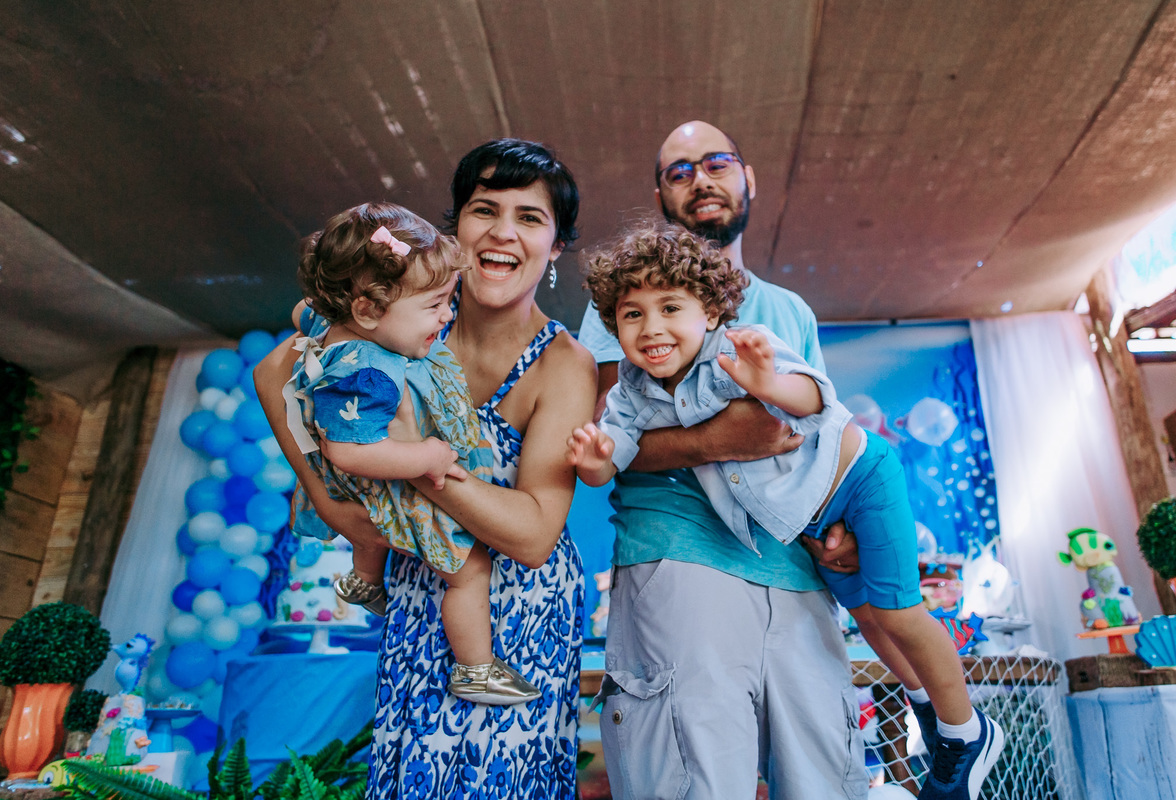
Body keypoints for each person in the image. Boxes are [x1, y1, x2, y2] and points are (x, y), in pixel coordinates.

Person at [571, 221, 1005, 800]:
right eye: (631, 315)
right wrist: (595, 459)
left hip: (859, 477)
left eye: (670, 307)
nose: (651, 328)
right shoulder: (630, 391)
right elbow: (614, 459)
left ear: (709, 310)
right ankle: (927, 705)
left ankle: (964, 733)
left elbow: (816, 399)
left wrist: (769, 382)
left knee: (897, 613)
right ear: (611, 325)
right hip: (805, 519)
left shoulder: (736, 347)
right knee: (869, 616)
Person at [255, 139, 596, 798]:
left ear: (555, 249)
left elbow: (531, 535)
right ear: (455, 230)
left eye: (530, 217)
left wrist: (409, 460)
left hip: (516, 618)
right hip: (420, 598)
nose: (502, 232)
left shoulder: (563, 363)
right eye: (484, 209)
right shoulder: (396, 318)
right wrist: (331, 508)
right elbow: (274, 372)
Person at [577, 121, 867, 799]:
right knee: (693, 784)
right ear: (660, 194)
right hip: (681, 561)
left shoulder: (787, 310)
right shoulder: (624, 305)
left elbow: (817, 433)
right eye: (679, 171)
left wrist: (840, 530)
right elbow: (604, 431)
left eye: (716, 162)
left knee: (826, 778)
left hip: (797, 575)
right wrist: (720, 438)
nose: (700, 179)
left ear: (748, 179)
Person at [284, 201, 539, 705]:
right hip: (387, 475)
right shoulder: (370, 373)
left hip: (370, 478)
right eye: (434, 306)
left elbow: (304, 312)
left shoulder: (341, 327)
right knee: (469, 570)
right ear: (367, 310)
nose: (446, 315)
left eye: (449, 301)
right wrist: (425, 456)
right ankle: (475, 667)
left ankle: (363, 580)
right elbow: (350, 453)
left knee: (370, 532)